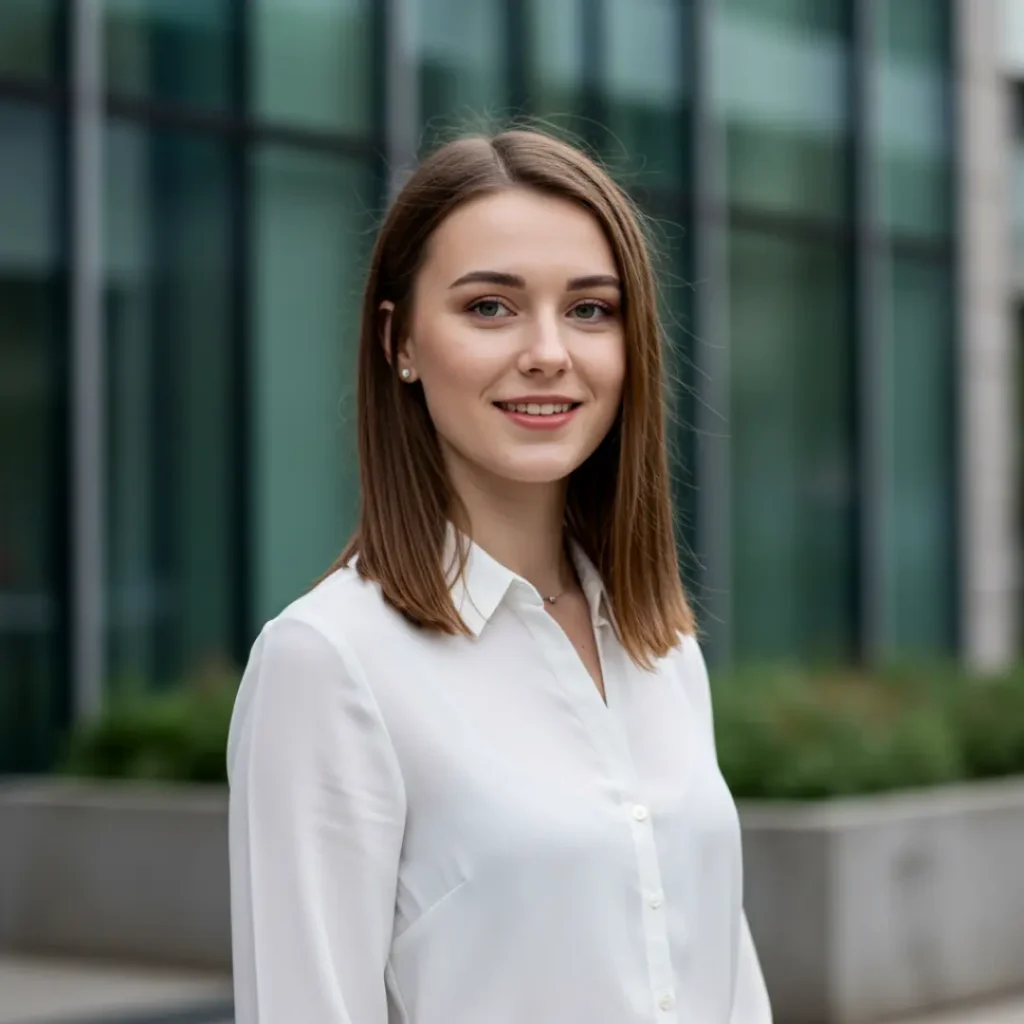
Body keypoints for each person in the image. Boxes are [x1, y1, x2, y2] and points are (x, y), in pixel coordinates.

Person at [227, 127, 772, 1024]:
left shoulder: (658, 644)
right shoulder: (327, 665)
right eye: (490, 307)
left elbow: (726, 977)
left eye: (591, 310)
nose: (549, 351)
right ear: (399, 342)